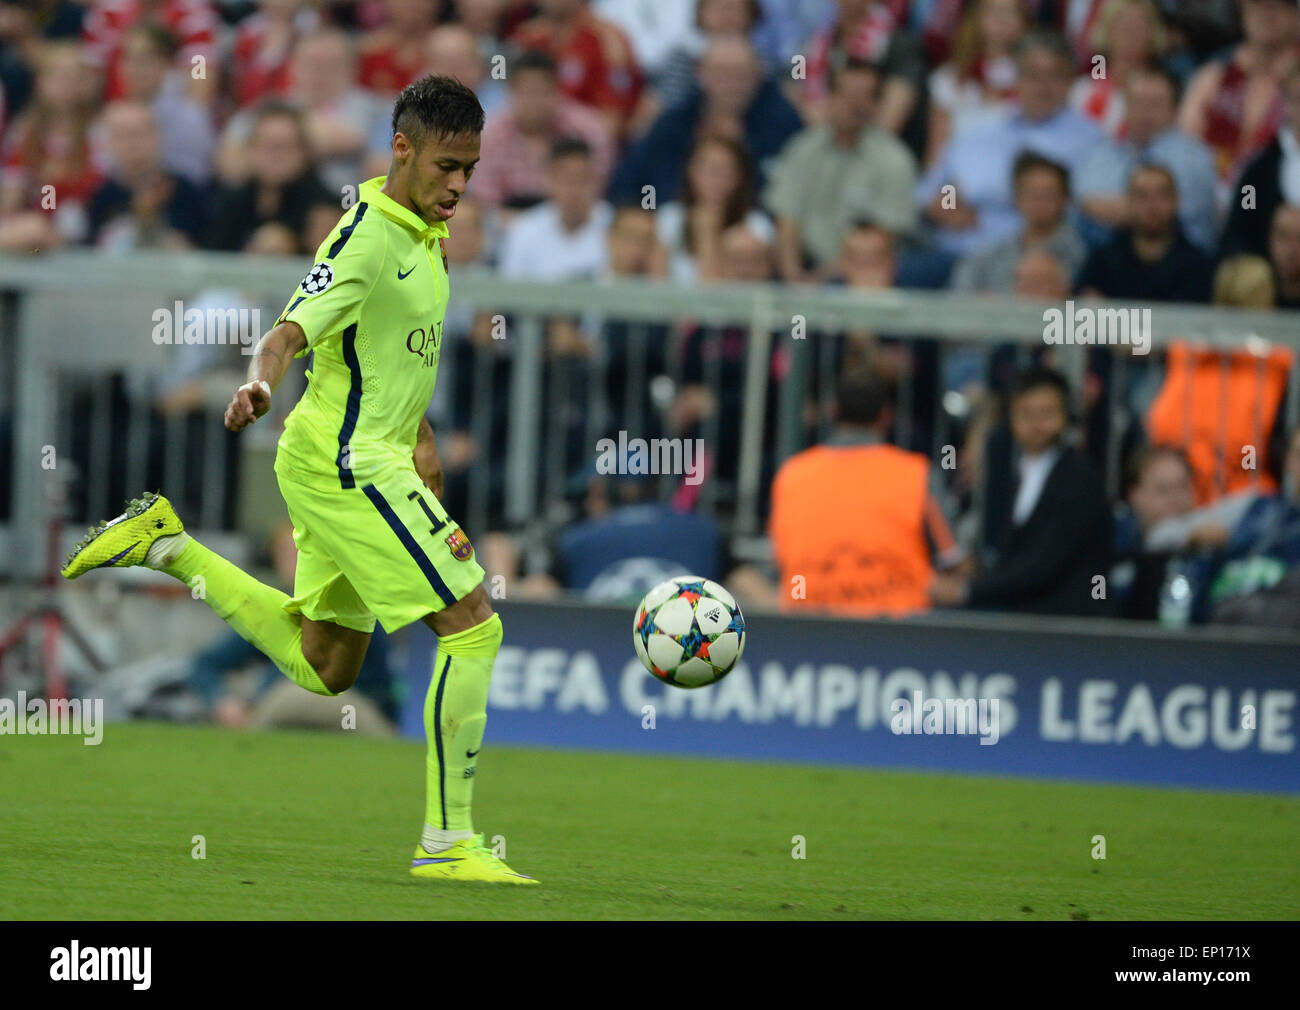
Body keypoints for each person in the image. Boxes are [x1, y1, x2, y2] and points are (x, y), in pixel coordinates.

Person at [61, 75, 538, 885]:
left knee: (327, 667)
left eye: (471, 168)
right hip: (347, 464)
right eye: (448, 165)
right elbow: (289, 329)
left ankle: (169, 545)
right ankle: (448, 842)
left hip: (352, 457)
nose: (459, 185)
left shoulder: (425, 232)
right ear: (402, 148)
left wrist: (419, 434)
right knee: (474, 625)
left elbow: (386, 354)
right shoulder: (362, 240)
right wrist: (259, 382)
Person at [770, 369, 966, 617]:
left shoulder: (791, 474)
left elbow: (780, 558)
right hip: (897, 633)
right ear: (886, 416)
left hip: (808, 628)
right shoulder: (917, 474)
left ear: (833, 410)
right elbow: (951, 560)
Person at [931, 367, 1114, 616]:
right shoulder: (1011, 471)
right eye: (1026, 414)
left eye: (1047, 413)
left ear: (1066, 415)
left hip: (1069, 620)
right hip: (1027, 615)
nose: (1037, 425)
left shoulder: (1079, 477)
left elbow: (1044, 564)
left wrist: (970, 590)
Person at [765, 57, 918, 282]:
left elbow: (882, 241)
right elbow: (786, 220)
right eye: (844, 94)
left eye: (861, 97)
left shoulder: (894, 160)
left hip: (856, 273)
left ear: (876, 105)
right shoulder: (804, 148)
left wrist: (818, 282)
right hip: (801, 265)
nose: (851, 105)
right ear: (829, 98)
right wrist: (793, 277)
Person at [1075, 65, 1218, 252]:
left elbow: (1159, 214)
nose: (1144, 112)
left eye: (1154, 104)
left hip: (1180, 264)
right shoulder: (1106, 151)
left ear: (1174, 110)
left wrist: (1098, 207)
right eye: (1137, 103)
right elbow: (1082, 199)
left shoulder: (1192, 156)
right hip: (1111, 262)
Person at [1075, 162, 1216, 302]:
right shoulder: (1102, 263)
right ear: (1128, 201)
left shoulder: (1198, 266)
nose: (1152, 205)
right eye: (1142, 196)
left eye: (1161, 195)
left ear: (1176, 200)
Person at [949, 151, 1086, 293]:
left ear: (1065, 199)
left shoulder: (1082, 255)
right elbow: (962, 286)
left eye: (1048, 195)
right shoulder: (995, 252)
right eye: (1032, 195)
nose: (1040, 203)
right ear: (1016, 199)